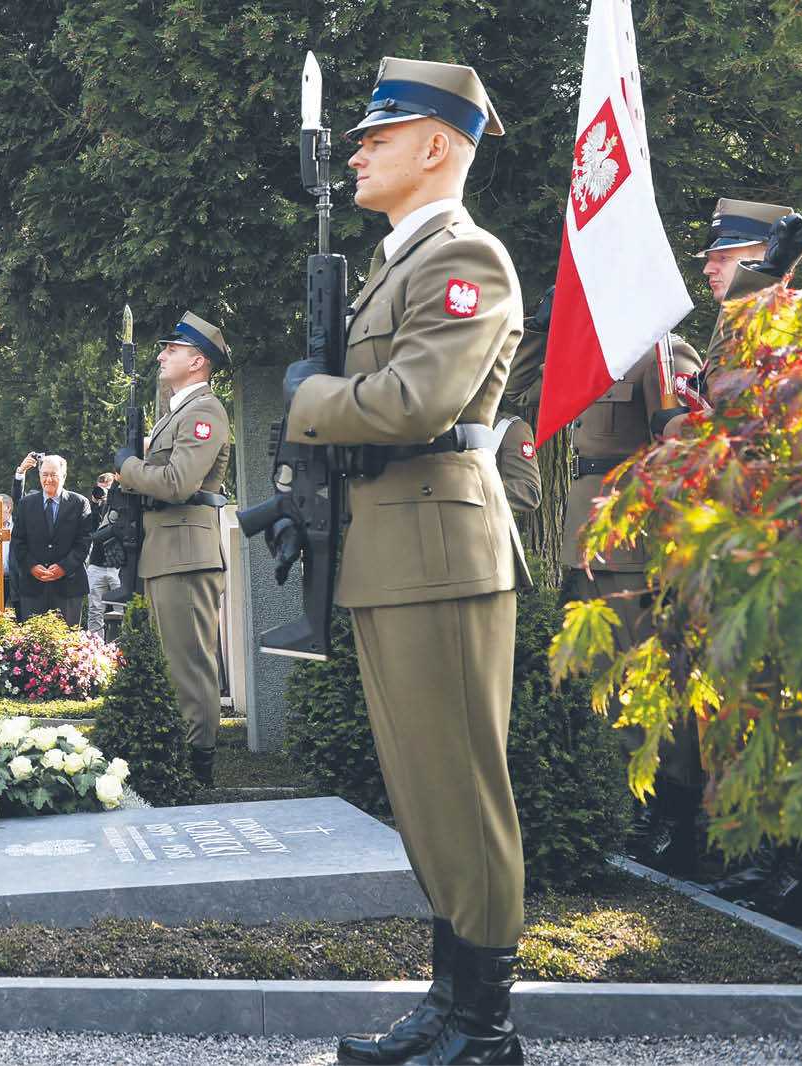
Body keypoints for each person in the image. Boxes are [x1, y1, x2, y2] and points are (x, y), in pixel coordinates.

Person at [279, 60, 527, 1064]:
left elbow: (418, 399)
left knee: (463, 790)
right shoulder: (396, 263)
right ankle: (447, 1000)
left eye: (380, 135)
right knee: (426, 791)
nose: (358, 150)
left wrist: (309, 397)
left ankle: (486, 1025)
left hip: (441, 548)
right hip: (396, 551)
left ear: (437, 146)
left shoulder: (467, 258)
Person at [115, 309, 232, 789]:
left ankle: (198, 767)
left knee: (189, 666)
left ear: (198, 362)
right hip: (169, 551)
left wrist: (128, 467)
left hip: (186, 554)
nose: (161, 355)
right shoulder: (178, 411)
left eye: (173, 349)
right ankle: (182, 760)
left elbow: (179, 482)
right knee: (173, 662)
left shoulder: (203, 412)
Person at [9, 453, 92, 625]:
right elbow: (18, 541)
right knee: (31, 646)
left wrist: (63, 567)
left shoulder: (80, 503)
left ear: (63, 476)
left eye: (53, 475)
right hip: (33, 587)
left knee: (66, 646)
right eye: (44, 474)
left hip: (68, 586)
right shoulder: (26, 504)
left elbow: (84, 542)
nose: (48, 480)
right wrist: (31, 566)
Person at [83, 472, 124, 635]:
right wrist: (95, 503)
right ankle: (95, 650)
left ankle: (122, 647)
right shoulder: (94, 508)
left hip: (117, 565)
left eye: (107, 489)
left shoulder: (121, 505)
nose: (104, 494)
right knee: (94, 610)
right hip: (96, 564)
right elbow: (90, 530)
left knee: (122, 611)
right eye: (100, 490)